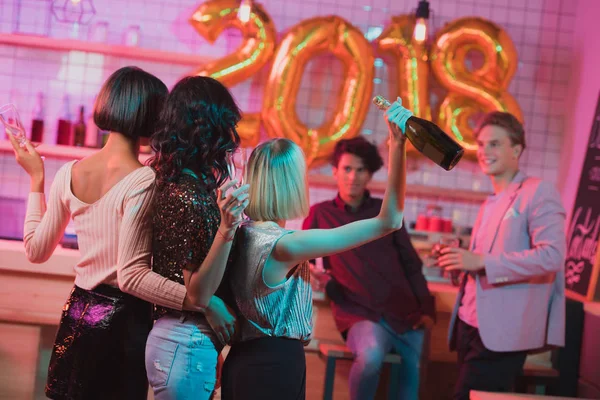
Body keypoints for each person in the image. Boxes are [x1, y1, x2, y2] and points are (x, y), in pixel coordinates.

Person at [8, 66, 202, 400]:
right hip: (124, 320)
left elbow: (36, 250)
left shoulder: (69, 172)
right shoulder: (144, 180)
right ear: (153, 116)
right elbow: (133, 276)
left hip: (77, 310)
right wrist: (201, 302)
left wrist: (36, 179)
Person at [220, 98, 412, 400]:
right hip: (274, 365)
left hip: (244, 359)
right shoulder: (284, 245)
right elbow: (389, 221)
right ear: (293, 184)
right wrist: (397, 144)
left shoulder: (242, 233)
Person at [438, 112, 566, 399]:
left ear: (516, 149)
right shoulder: (489, 202)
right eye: (482, 145)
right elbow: (483, 262)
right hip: (468, 324)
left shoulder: (538, 192)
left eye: (494, 144)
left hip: (503, 332)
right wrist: (458, 259)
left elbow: (553, 256)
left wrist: (482, 261)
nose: (485, 152)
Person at [302, 135, 435, 400]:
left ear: (371, 173)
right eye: (347, 169)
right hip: (357, 311)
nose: (353, 176)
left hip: (405, 311)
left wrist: (428, 309)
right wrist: (316, 276)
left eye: (361, 169)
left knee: (414, 379)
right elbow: (301, 254)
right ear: (335, 171)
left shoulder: (385, 211)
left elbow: (411, 264)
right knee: (371, 356)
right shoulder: (320, 213)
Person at [145, 75, 250, 400]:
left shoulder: (176, 181)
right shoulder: (189, 195)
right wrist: (227, 228)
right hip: (184, 340)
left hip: (182, 339)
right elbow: (201, 294)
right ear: (210, 128)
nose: (233, 137)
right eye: (227, 125)